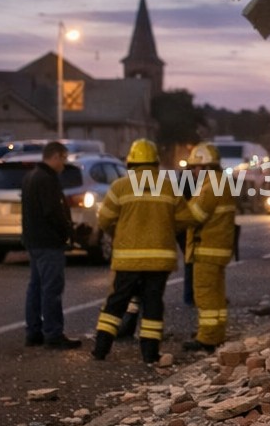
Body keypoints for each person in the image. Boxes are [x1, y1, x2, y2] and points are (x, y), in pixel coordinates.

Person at [92, 138, 182, 364]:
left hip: (127, 260)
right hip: (159, 260)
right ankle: (150, 355)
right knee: (153, 304)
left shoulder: (120, 187)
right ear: (155, 162)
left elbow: (104, 220)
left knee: (116, 303)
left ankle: (101, 349)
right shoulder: (169, 187)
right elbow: (183, 219)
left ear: (131, 163)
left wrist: (119, 234)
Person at [20, 141, 81, 349]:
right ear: (55, 156)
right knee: (51, 289)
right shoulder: (47, 179)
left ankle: (34, 331)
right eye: (63, 159)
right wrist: (66, 231)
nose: (64, 164)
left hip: (33, 240)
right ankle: (53, 334)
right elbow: (53, 211)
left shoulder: (31, 177)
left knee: (35, 287)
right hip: (48, 242)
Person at [176, 143, 237, 352]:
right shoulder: (221, 183)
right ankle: (216, 332)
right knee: (217, 295)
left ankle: (207, 338)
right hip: (217, 248)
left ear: (205, 167)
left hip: (207, 249)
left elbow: (195, 216)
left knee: (205, 294)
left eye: (195, 168)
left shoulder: (211, 187)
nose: (193, 172)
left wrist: (175, 211)